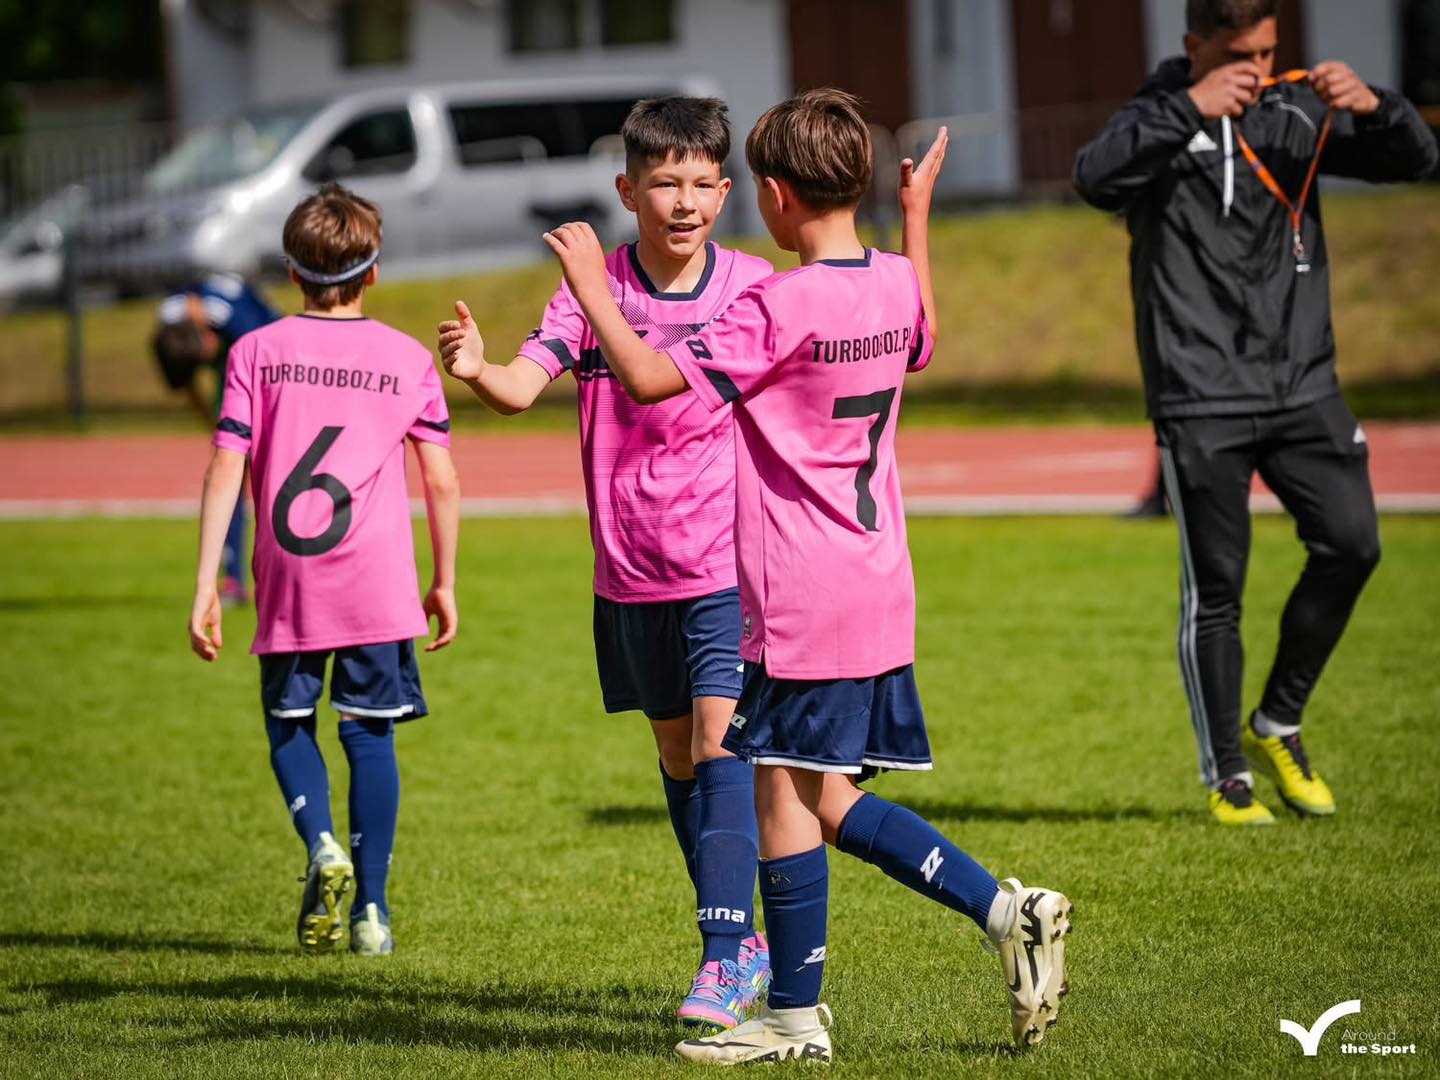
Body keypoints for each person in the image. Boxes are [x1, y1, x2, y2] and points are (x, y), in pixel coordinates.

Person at [542, 89, 1072, 1065]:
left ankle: (796, 1015)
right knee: (818, 797)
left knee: (783, 797)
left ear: (776, 197)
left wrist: (590, 288)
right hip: (879, 581)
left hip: (800, 588)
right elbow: (924, 333)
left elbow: (652, 382)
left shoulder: (776, 305)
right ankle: (1001, 914)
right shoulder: (894, 284)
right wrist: (915, 219)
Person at [438, 96, 773, 1031]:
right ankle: (741, 938)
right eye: (664, 183)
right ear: (628, 191)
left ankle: (722, 955)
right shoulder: (591, 288)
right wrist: (477, 369)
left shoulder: (750, 287)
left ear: (725, 193)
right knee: (675, 754)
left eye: (702, 184)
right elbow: (519, 386)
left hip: (723, 566)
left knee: (719, 747)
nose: (684, 202)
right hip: (628, 573)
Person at [1074, 0, 1438, 825]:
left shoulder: (1293, 111)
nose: (1259, 70)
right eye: (1241, 55)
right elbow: (1092, 178)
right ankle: (1228, 777)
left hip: (1304, 384)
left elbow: (1415, 161)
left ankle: (1277, 720)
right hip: (1200, 396)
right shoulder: (1156, 113)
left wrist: (1378, 107)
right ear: (1194, 46)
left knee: (1353, 544)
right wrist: (1188, 109)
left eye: (1270, 52)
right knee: (1218, 591)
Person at [187, 183, 461, 955]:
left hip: (288, 573)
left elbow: (225, 466)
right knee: (370, 734)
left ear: (292, 272)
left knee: (288, 724)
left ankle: (321, 843)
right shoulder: (407, 358)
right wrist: (444, 580)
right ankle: (372, 912)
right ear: (372, 272)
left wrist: (207, 583)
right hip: (378, 577)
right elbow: (441, 480)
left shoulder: (254, 351)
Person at [154, 274, 280, 605]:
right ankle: (232, 578)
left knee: (268, 472)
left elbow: (275, 362)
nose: (208, 351)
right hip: (232, 357)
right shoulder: (171, 331)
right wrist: (218, 431)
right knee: (230, 471)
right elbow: (187, 384)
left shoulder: (241, 324)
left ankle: (279, 573)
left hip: (273, 356)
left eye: (207, 347)